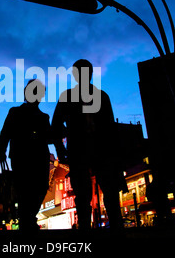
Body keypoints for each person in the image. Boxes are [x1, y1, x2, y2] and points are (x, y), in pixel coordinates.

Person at [52, 59, 124, 230]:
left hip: (98, 149)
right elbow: (55, 125)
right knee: (86, 193)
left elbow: (110, 126)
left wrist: (62, 147)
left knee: (105, 190)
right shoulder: (71, 97)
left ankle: (109, 227)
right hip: (84, 149)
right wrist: (61, 148)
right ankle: (91, 228)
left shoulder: (99, 96)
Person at [0, 79, 51, 231]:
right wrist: (1, 151)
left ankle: (28, 217)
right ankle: (28, 219)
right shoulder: (16, 112)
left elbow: (49, 137)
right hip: (24, 156)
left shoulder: (43, 117)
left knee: (38, 187)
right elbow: (5, 132)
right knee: (26, 188)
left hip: (35, 156)